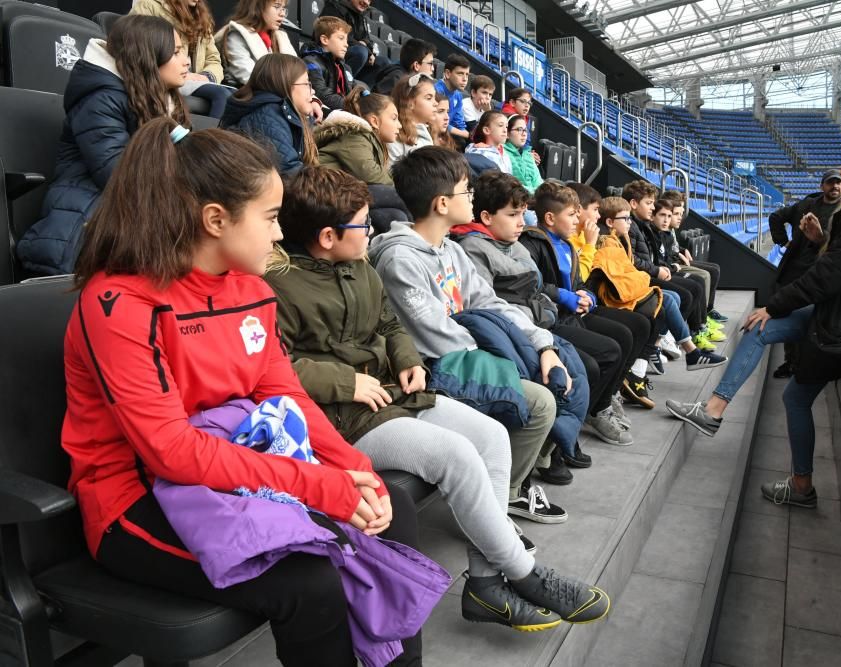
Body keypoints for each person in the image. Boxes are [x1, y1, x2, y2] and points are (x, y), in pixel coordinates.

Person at [63, 117, 425, 666]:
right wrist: (323, 488)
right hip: (137, 500)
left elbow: (290, 398)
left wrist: (356, 469)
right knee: (310, 579)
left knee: (391, 508)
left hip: (239, 474)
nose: (281, 233)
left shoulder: (251, 290)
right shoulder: (118, 303)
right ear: (215, 220)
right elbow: (170, 451)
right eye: (272, 217)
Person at [267, 166, 610, 632]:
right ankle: (526, 576)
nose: (370, 231)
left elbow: (388, 325)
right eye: (362, 224)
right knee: (456, 455)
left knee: (490, 436)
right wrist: (344, 384)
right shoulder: (278, 284)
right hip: (343, 418)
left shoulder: (361, 265)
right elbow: (275, 366)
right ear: (327, 236)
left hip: (393, 393)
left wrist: (406, 358)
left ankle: (485, 584)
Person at [666, 131, 841, 511]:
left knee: (792, 393)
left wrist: (773, 306)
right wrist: (822, 239)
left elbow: (828, 277)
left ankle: (802, 486)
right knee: (759, 331)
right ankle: (713, 411)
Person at [368, 146, 571, 524]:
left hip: (465, 355)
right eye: (466, 190)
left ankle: (505, 488)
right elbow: (436, 337)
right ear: (442, 203)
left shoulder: (449, 250)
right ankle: (500, 500)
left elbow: (491, 303)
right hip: (432, 368)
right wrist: (507, 354)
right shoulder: (401, 259)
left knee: (548, 371)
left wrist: (542, 343)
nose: (472, 196)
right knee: (540, 402)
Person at [17, 15, 189, 276]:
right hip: (90, 217)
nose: (186, 61)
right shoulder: (101, 97)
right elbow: (116, 173)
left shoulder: (162, 100)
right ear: (148, 56)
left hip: (136, 215)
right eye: (175, 53)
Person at [519, 182, 653, 448]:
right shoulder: (532, 243)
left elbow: (580, 281)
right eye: (572, 214)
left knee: (634, 327)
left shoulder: (567, 244)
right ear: (549, 218)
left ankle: (605, 398)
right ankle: (591, 412)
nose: (577, 219)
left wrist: (586, 297)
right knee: (609, 350)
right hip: (554, 319)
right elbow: (534, 286)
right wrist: (566, 297)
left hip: (574, 313)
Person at [592, 197, 728, 405]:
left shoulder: (622, 236)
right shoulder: (607, 241)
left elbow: (630, 270)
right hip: (615, 297)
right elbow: (622, 276)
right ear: (610, 222)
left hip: (633, 286)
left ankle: (648, 365)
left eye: (629, 219)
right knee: (664, 300)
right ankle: (684, 352)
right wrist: (651, 276)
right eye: (625, 219)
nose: (629, 223)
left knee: (669, 297)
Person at [622, 180, 716, 351]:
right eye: (649, 203)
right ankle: (662, 341)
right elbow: (633, 260)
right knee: (684, 293)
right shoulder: (633, 226)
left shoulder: (641, 225)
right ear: (634, 204)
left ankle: (668, 336)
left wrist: (667, 264)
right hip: (642, 278)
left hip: (648, 273)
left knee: (693, 286)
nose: (652, 208)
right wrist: (660, 269)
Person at [767, 169, 841, 379]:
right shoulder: (806, 205)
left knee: (815, 323)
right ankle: (791, 363)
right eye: (831, 183)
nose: (835, 186)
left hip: (824, 274)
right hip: (795, 271)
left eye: (839, 183)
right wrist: (783, 241)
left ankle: (809, 365)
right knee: (793, 319)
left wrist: (822, 238)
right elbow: (776, 217)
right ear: (822, 186)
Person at [130, 0, 232, 118]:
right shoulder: (148, 6)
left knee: (236, 97)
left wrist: (207, 76)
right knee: (222, 95)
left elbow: (213, 59)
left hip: (197, 80)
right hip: (164, 78)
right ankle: (209, 136)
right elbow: (141, 52)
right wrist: (182, 74)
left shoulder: (201, 15)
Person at [220, 54, 318, 175]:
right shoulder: (268, 116)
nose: (312, 91)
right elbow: (289, 175)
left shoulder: (285, 115)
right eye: (306, 84)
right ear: (285, 84)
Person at [315, 87, 398, 185]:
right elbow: (368, 173)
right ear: (375, 121)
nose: (399, 125)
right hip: (316, 190)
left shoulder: (364, 138)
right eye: (394, 118)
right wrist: (403, 181)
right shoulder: (354, 136)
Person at [215, 0, 298, 88]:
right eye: (277, 6)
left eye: (283, 8)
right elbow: (249, 77)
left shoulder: (280, 38)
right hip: (248, 97)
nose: (282, 14)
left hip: (276, 95)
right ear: (257, 7)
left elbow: (298, 76)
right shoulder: (236, 34)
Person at [319, 0, 388, 86]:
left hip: (354, 57)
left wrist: (366, 45)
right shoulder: (335, 8)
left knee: (383, 62)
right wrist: (365, 48)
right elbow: (340, 38)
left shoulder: (361, 17)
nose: (366, 2)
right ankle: (340, 85)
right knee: (361, 52)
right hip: (331, 57)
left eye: (369, 0)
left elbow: (367, 39)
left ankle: (359, 91)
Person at [301, 16, 354, 112]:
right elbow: (322, 95)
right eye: (341, 38)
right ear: (325, 40)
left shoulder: (345, 68)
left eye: (346, 40)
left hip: (344, 111)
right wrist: (354, 107)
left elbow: (354, 91)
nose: (346, 44)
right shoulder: (311, 62)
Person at [387, 73, 436, 165]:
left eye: (434, 98)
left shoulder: (424, 130)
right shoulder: (393, 139)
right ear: (410, 103)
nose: (435, 103)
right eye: (429, 98)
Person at [434, 54, 470, 144]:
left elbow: (459, 123)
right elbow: (434, 120)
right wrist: (468, 135)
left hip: (446, 132)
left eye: (467, 75)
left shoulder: (458, 95)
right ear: (447, 74)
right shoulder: (436, 91)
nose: (465, 79)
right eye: (460, 74)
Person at [501, 87, 540, 164]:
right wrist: (527, 156)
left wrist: (529, 153)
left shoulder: (524, 118)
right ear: (512, 102)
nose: (527, 106)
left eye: (529, 103)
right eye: (523, 101)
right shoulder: (505, 118)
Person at [506, 115, 543, 193]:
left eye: (525, 130)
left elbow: (538, 181)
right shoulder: (503, 153)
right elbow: (510, 185)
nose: (524, 134)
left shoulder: (528, 154)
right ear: (507, 134)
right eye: (519, 129)